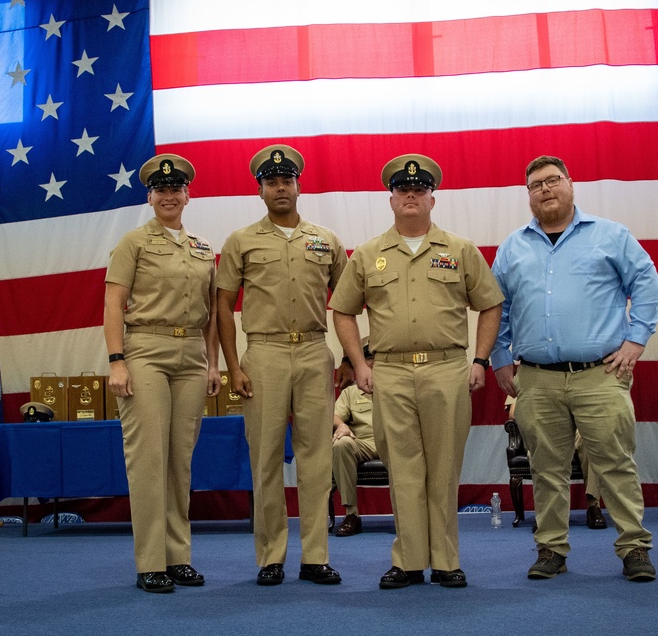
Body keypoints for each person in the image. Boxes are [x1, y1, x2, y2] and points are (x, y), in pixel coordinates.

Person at [331, 154, 504, 590]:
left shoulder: (460, 250)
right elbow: (343, 310)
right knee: (403, 470)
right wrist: (358, 363)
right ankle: (408, 561)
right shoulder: (369, 254)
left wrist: (480, 359)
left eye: (419, 190)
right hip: (388, 373)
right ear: (391, 199)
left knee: (443, 469)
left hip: (446, 369)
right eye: (403, 190)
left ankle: (446, 561)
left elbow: (490, 303)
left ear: (432, 198)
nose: (411, 195)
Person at [491, 155, 658, 583]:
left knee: (615, 463)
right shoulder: (512, 247)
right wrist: (499, 360)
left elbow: (646, 283)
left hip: (599, 375)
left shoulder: (610, 235)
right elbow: (498, 309)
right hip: (536, 378)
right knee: (546, 468)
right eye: (536, 185)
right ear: (527, 195)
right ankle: (551, 549)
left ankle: (634, 549)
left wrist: (636, 339)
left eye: (553, 181)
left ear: (571, 184)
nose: (545, 190)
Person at [216, 144, 348, 586]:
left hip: (313, 351)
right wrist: (233, 366)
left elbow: (346, 302)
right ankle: (270, 556)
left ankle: (315, 556)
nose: (280, 187)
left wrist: (350, 356)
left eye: (287, 180)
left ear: (298, 184)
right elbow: (221, 306)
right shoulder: (241, 241)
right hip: (264, 355)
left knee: (316, 457)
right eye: (271, 182)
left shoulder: (326, 240)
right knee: (266, 459)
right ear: (260, 190)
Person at [104, 154, 221, 593]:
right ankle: (150, 562)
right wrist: (118, 360)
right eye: (161, 190)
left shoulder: (204, 249)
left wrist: (213, 363)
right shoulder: (133, 243)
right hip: (146, 351)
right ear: (150, 196)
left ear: (188, 195)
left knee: (179, 462)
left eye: (177, 189)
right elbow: (114, 304)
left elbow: (212, 314)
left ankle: (179, 557)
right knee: (149, 459)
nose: (169, 196)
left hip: (191, 353)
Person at [505, 396, 607, 529]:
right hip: (544, 426)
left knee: (591, 442)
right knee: (540, 445)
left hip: (575, 427)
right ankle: (546, 512)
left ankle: (593, 507)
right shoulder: (526, 376)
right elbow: (513, 414)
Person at [331, 338, 378, 537]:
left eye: (377, 356)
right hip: (365, 441)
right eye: (367, 357)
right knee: (342, 444)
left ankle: (410, 516)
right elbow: (334, 414)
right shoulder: (351, 391)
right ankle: (352, 514)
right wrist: (342, 425)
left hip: (395, 440)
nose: (373, 361)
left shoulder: (400, 387)